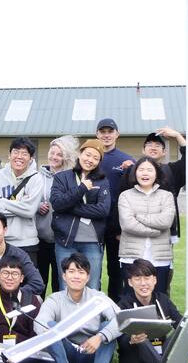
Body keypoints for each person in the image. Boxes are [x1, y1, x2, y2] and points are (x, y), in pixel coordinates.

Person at [34, 252, 120, 363]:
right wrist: (58, 333)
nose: (76, 276)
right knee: (50, 325)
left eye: (81, 272)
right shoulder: (55, 299)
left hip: (93, 351)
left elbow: (121, 319)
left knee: (107, 328)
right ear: (64, 276)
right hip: (67, 352)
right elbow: (39, 323)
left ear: (87, 277)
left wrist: (100, 337)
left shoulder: (97, 298)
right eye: (71, 271)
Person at [115, 259, 188, 363]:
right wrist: (131, 339)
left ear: (154, 280)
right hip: (136, 360)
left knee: (182, 330)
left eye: (147, 278)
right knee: (140, 336)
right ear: (130, 282)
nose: (143, 283)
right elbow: (120, 341)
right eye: (137, 278)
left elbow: (181, 323)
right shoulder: (124, 305)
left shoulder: (162, 299)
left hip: (161, 350)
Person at [50, 139, 110, 291]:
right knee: (66, 286)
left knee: (92, 285)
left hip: (92, 241)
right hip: (65, 241)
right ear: (80, 154)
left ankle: (92, 316)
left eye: (96, 158)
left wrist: (69, 207)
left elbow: (103, 210)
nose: (90, 160)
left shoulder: (102, 181)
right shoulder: (62, 177)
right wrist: (81, 188)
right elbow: (57, 203)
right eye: (88, 155)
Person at [117, 157, 176, 293]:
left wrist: (139, 216)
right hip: (131, 256)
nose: (145, 173)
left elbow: (166, 221)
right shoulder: (125, 196)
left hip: (159, 258)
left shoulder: (166, 196)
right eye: (141, 169)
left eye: (150, 170)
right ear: (135, 173)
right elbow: (127, 224)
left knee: (158, 298)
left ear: (156, 173)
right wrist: (156, 231)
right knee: (131, 299)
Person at [0, 137, 43, 271]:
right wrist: (21, 205)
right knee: (1, 283)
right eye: (16, 152)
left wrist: (2, 201)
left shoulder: (36, 179)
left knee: (28, 284)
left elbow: (29, 210)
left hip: (27, 242)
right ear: (9, 155)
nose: (19, 157)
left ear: (30, 158)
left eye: (24, 154)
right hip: (1, 241)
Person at [95, 118, 135, 301]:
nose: (106, 135)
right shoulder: (91, 158)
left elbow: (138, 187)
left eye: (110, 131)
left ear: (117, 134)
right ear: (97, 134)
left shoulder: (126, 160)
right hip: (92, 224)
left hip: (116, 226)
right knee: (91, 269)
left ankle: (115, 309)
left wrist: (132, 170)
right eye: (102, 132)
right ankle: (93, 308)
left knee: (115, 271)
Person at [34, 135, 79, 295]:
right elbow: (28, 200)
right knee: (39, 281)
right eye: (52, 152)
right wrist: (37, 206)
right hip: (40, 237)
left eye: (59, 154)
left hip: (63, 238)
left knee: (60, 282)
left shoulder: (72, 177)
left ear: (66, 157)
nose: (54, 157)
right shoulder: (37, 176)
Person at [0, 213, 44, 302]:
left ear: (5, 230)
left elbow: (37, 283)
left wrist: (12, 293)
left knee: (38, 299)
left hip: (14, 300)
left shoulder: (19, 255)